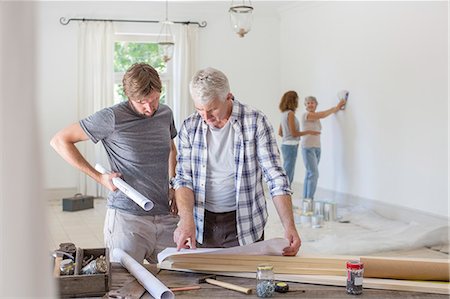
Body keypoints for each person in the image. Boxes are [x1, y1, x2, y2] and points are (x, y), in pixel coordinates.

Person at [50, 63, 178, 264]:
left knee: (176, 280)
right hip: (127, 218)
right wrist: (99, 177)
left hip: (166, 216)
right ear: (129, 97)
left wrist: (173, 185)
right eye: (141, 102)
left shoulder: (165, 114)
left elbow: (171, 149)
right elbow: (59, 140)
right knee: (123, 286)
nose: (149, 107)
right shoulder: (112, 117)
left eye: (154, 99)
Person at [172, 67, 301, 256]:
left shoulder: (256, 122)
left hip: (246, 222)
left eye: (212, 109)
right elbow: (183, 179)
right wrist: (186, 220)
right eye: (200, 110)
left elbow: (275, 177)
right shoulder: (189, 127)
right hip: (201, 222)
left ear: (228, 97)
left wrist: (289, 226)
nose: (206, 118)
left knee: (246, 279)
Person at [301, 96, 346, 199]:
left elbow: (321, 115)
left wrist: (337, 108)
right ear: (306, 106)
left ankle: (306, 201)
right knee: (314, 174)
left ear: (316, 104)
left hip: (317, 148)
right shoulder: (306, 115)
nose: (310, 104)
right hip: (307, 148)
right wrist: (337, 107)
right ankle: (309, 200)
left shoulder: (316, 119)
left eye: (312, 102)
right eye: (308, 103)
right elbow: (322, 114)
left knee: (310, 174)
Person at [278, 90, 320, 186]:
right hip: (291, 146)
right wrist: (309, 132)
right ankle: (285, 193)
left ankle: (284, 191)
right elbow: (294, 133)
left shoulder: (283, 113)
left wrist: (287, 137)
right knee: (289, 172)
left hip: (285, 145)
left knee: (287, 169)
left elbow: (280, 132)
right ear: (293, 100)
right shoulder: (290, 113)